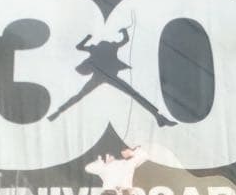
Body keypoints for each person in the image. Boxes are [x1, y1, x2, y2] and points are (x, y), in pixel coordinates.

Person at [47, 28, 177, 127]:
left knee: (81, 95)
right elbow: (124, 40)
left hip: (106, 76)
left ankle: (158, 117)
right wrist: (123, 32)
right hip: (104, 76)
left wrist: (88, 38)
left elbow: (124, 40)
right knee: (133, 94)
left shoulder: (99, 47)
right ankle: (158, 116)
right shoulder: (106, 47)